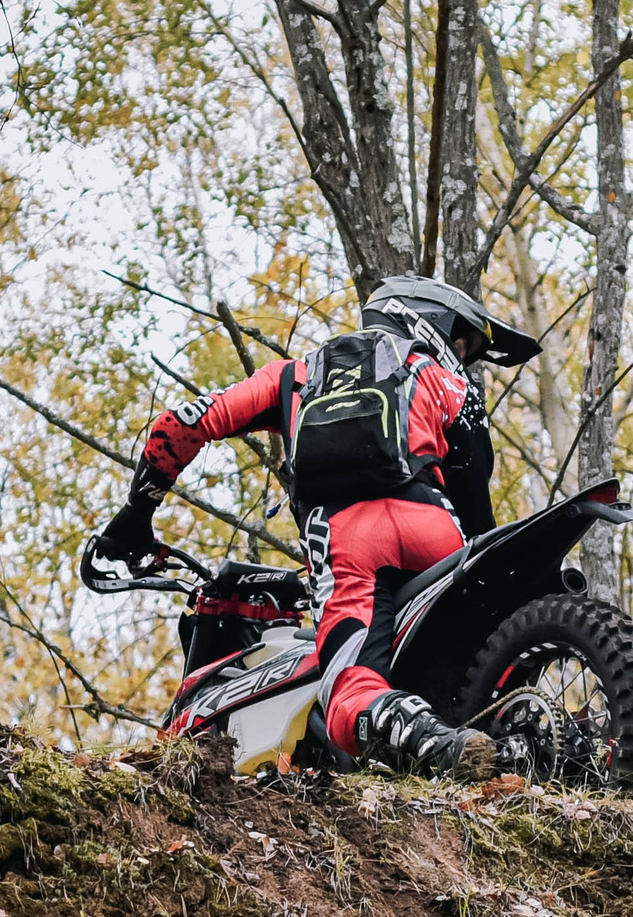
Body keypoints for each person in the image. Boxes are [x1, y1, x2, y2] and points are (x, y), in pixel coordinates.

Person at [90, 276, 540, 780]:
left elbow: (184, 423)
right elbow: (475, 486)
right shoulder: (445, 379)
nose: (461, 352)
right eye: (462, 340)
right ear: (426, 319)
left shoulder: (297, 375)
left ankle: (430, 740)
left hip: (350, 543)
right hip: (436, 532)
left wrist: (135, 515)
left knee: (349, 685)